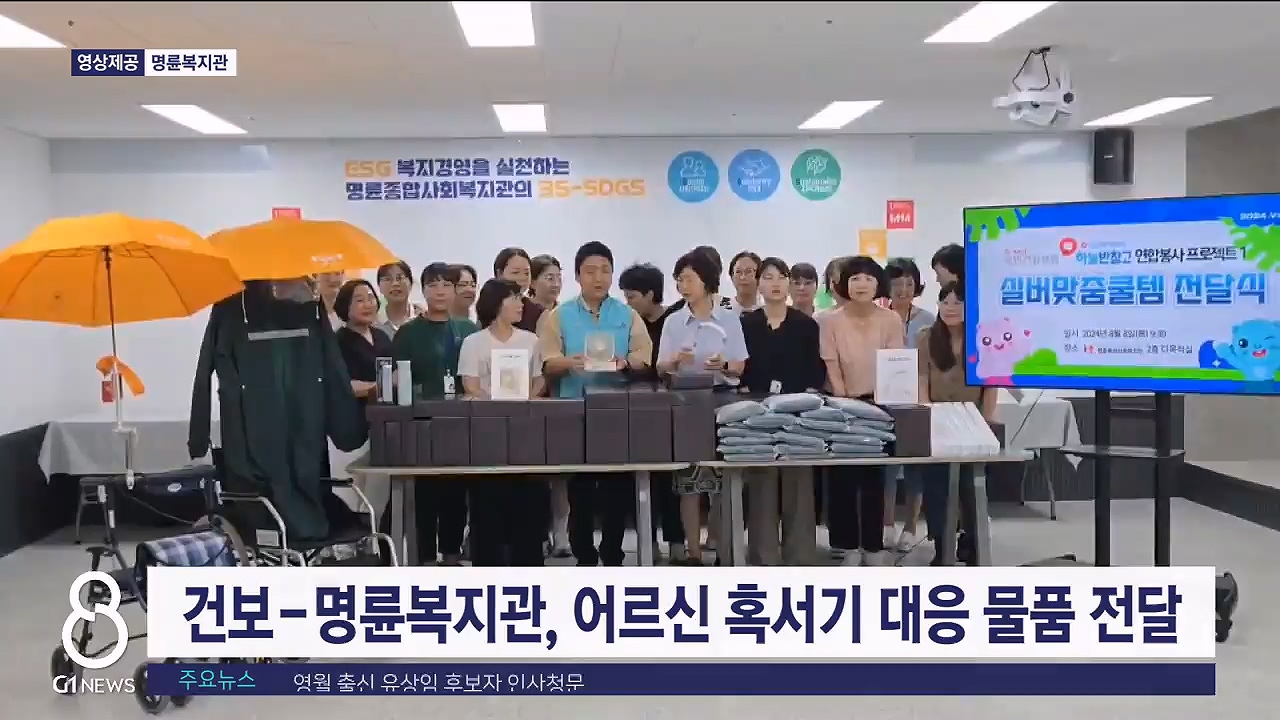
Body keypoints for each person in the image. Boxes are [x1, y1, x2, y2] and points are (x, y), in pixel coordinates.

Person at [538, 241, 653, 566]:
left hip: (617, 413)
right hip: (574, 410)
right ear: (578, 276)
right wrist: (570, 362)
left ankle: (613, 553)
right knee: (581, 490)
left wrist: (626, 363)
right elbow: (547, 362)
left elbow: (644, 356)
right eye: (590, 271)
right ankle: (584, 555)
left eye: (605, 270)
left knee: (617, 487)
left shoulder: (627, 315)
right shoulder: (558, 316)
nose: (598, 277)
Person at [657, 249, 749, 565]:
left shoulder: (729, 319)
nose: (682, 286)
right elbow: (660, 367)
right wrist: (674, 361)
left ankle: (723, 548)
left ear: (706, 281)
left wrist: (722, 364)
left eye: (688, 279)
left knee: (723, 478)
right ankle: (693, 551)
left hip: (723, 400)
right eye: (679, 280)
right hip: (686, 402)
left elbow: (739, 365)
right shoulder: (673, 321)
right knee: (688, 478)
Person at [820, 255, 904, 566]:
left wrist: (880, 404)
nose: (862, 284)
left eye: (868, 278)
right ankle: (847, 546)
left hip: (880, 406)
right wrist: (845, 402)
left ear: (878, 284)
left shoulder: (890, 320)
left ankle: (872, 545)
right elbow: (831, 363)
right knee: (843, 478)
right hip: (841, 405)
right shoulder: (829, 321)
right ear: (844, 284)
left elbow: (895, 363)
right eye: (855, 278)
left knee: (874, 478)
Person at [392, 262, 478, 565]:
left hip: (461, 422)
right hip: (422, 424)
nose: (440, 291)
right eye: (433, 285)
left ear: (455, 290)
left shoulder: (468, 330)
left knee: (457, 492)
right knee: (425, 495)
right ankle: (425, 558)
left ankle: (452, 555)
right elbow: (397, 378)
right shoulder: (408, 333)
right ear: (423, 289)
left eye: (446, 285)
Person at [740, 258, 824, 566]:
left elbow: (815, 371)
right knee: (761, 484)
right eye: (768, 277)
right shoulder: (746, 324)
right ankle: (763, 557)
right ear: (758, 284)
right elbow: (741, 369)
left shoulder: (806, 325)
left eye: (781, 277)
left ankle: (800, 557)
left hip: (797, 412)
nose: (775, 283)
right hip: (757, 412)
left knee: (798, 483)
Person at [457, 278, 547, 566]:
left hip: (525, 433)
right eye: (514, 298)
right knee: (488, 503)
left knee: (528, 503)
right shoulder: (474, 343)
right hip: (487, 434)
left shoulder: (531, 341)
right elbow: (470, 386)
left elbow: (539, 380)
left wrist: (525, 400)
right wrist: (495, 406)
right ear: (496, 303)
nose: (521, 304)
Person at [917, 282, 992, 566]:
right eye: (944, 302)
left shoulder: (983, 337)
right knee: (937, 487)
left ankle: (972, 543)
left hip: (973, 417)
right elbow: (921, 379)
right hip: (938, 415)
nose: (950, 308)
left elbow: (991, 383)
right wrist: (928, 414)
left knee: (972, 486)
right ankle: (942, 546)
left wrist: (987, 420)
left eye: (957, 302)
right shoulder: (927, 337)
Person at [619, 262, 687, 563]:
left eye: (632, 296)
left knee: (669, 480)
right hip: (635, 408)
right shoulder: (629, 325)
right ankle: (649, 543)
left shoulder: (675, 321)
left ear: (650, 294)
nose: (628, 303)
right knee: (639, 480)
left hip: (669, 409)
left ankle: (677, 541)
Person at [882, 257, 937, 552]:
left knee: (916, 466)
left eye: (909, 283)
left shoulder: (928, 319)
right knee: (886, 466)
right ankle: (887, 523)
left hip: (917, 399)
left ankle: (911, 526)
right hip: (885, 399)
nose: (903, 290)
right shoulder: (879, 316)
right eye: (897, 284)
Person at [330, 279, 394, 515]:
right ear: (344, 306)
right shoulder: (338, 341)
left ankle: (373, 531)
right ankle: (349, 535)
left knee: (378, 489)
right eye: (359, 300)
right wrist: (378, 386)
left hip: (382, 422)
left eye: (370, 298)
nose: (368, 304)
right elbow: (342, 385)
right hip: (351, 423)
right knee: (351, 487)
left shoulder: (382, 336)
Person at [494, 247, 545, 333]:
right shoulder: (489, 308)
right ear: (499, 274)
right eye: (515, 272)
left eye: (526, 273)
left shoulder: (538, 312)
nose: (522, 278)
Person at [375, 261, 422, 337]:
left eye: (400, 278)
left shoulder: (423, 319)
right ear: (379, 286)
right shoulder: (373, 323)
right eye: (387, 279)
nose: (395, 284)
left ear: (411, 283)